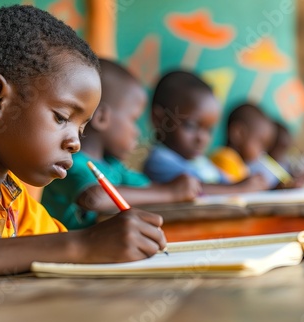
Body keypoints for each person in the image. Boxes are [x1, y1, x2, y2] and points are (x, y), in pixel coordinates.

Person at [0, 5, 166, 287]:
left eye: (81, 129)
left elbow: (53, 247)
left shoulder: (13, 198)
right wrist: (83, 244)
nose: (74, 142)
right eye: (61, 117)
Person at [41, 59, 201, 230]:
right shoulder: (71, 163)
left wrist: (180, 188)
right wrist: (170, 193)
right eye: (133, 120)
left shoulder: (113, 166)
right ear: (102, 117)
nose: (137, 132)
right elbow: (95, 198)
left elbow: (150, 189)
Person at [143, 71, 269, 194]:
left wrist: (264, 187)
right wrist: (239, 189)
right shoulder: (159, 162)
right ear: (159, 120)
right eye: (191, 126)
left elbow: (227, 183)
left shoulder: (201, 163)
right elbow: (191, 189)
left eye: (209, 130)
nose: (203, 138)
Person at [210, 103, 278, 187]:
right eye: (260, 143)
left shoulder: (238, 163)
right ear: (238, 134)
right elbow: (232, 193)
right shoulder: (225, 158)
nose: (263, 152)